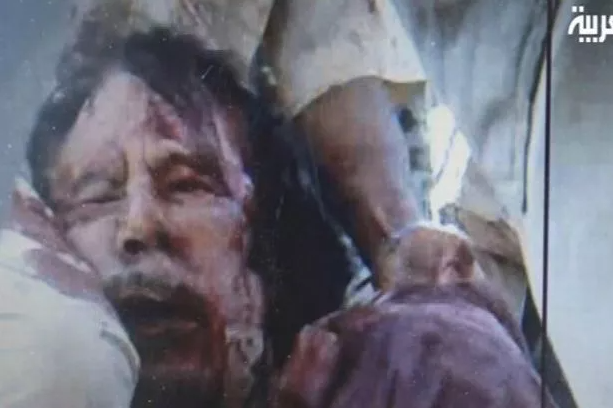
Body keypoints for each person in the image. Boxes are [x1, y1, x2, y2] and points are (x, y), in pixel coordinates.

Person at [6, 26, 555, 408]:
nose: (140, 225)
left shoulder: (407, 370)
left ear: (262, 238)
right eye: (97, 197)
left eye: (187, 184)